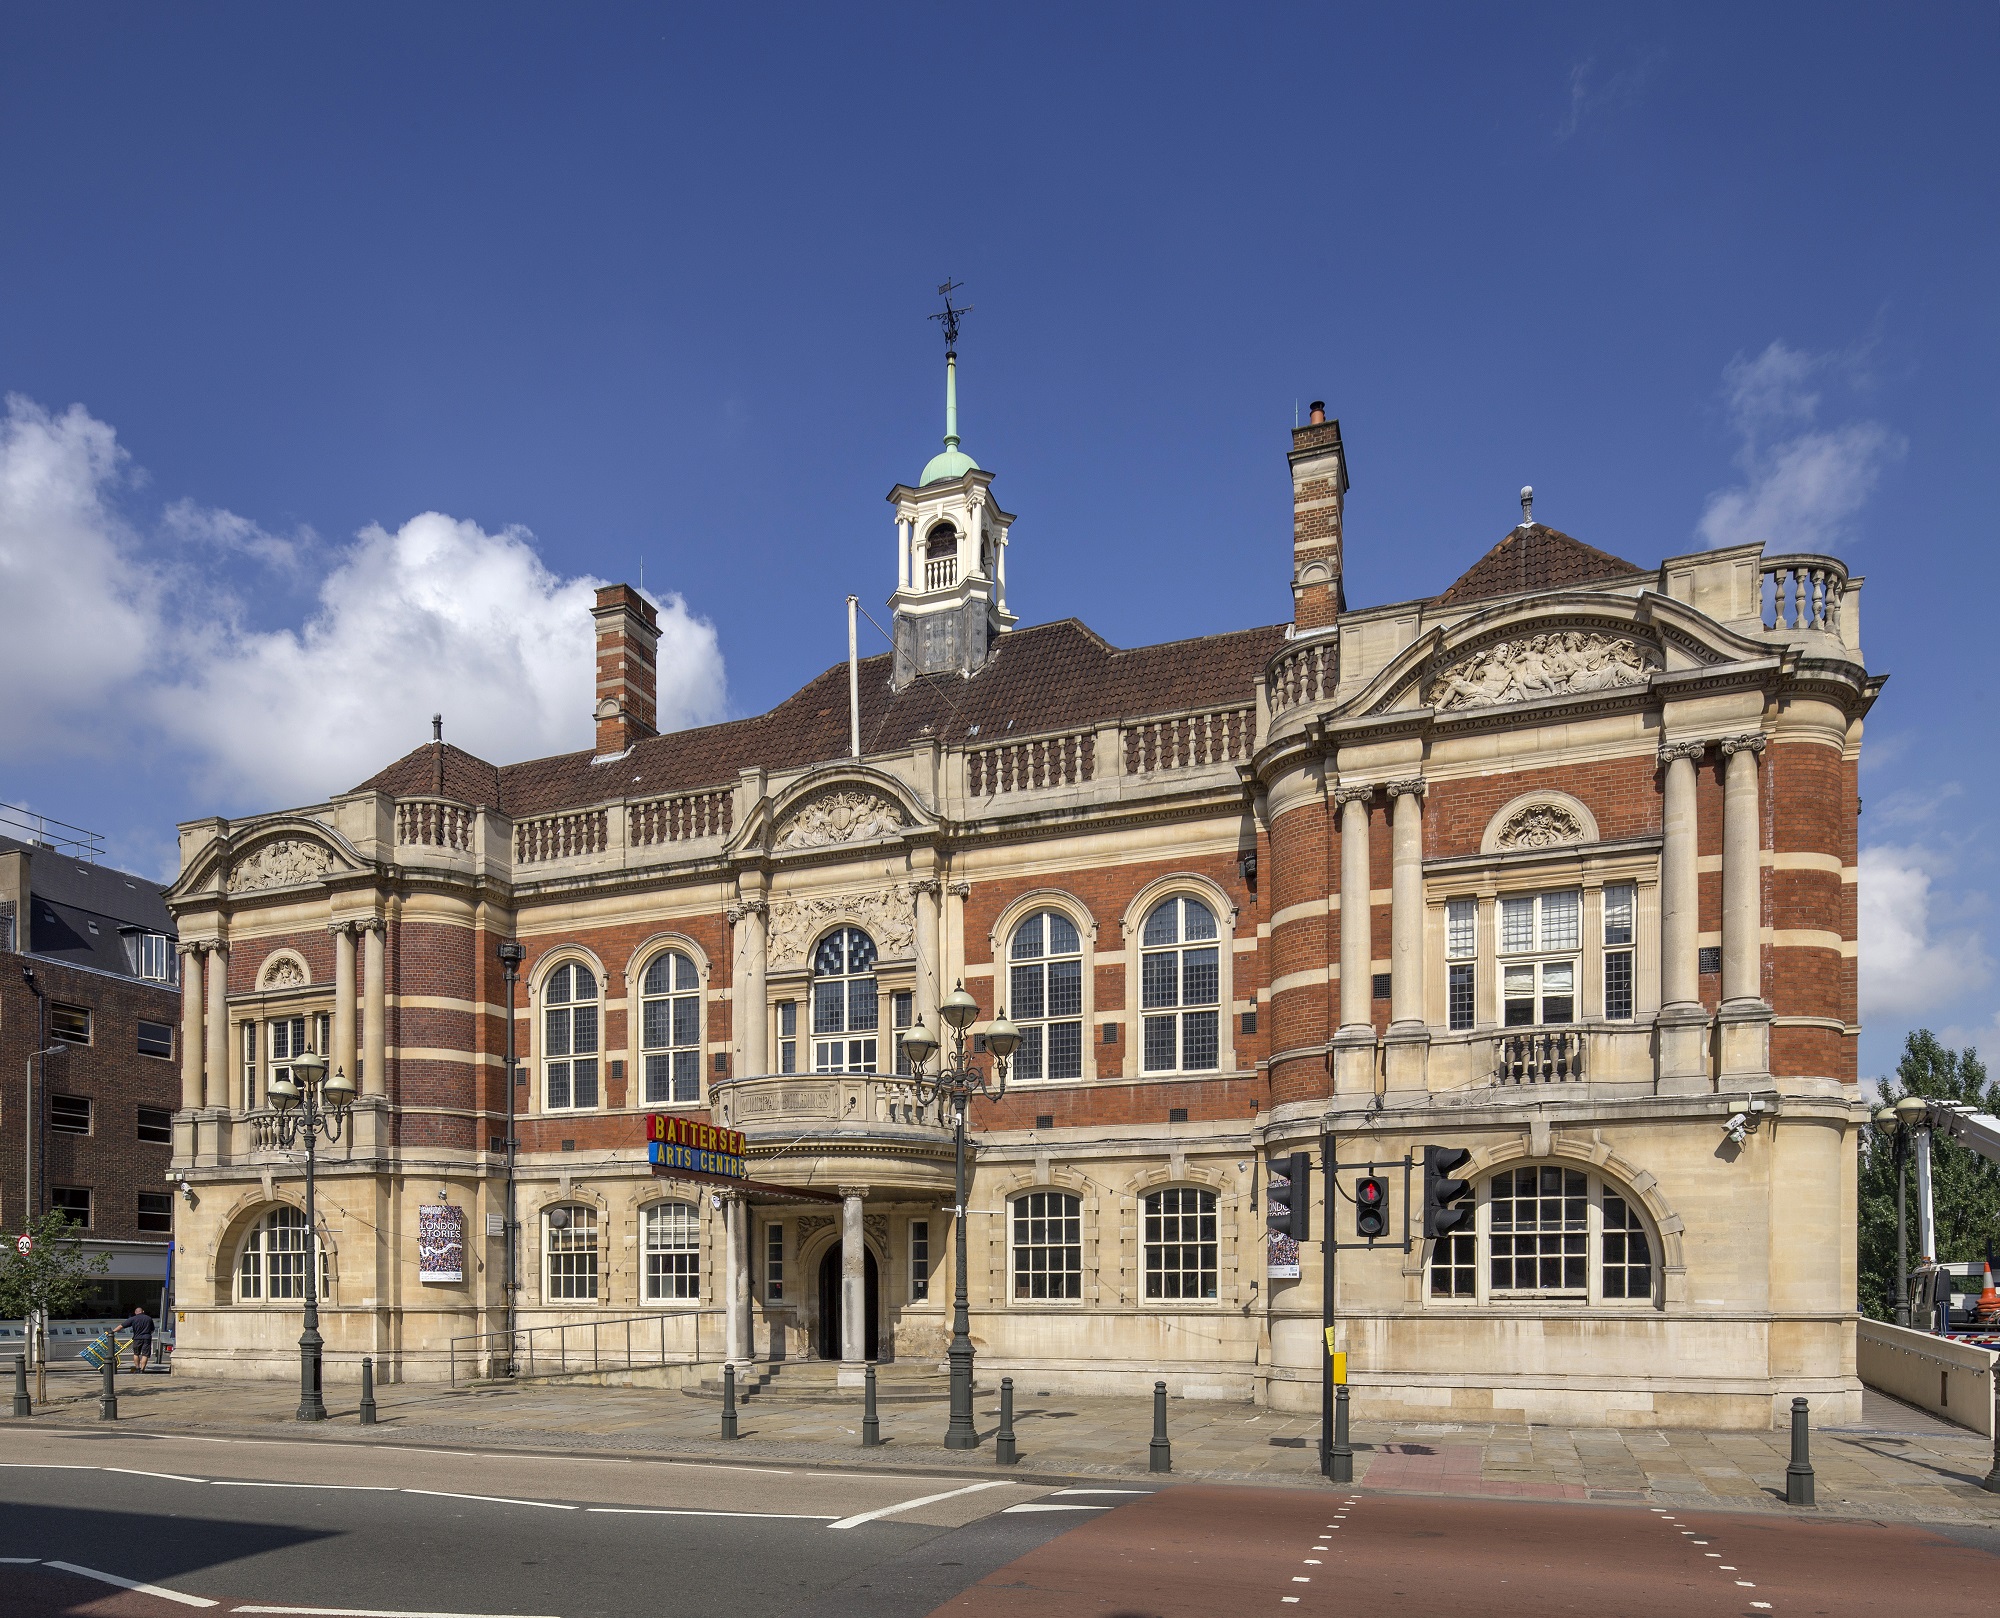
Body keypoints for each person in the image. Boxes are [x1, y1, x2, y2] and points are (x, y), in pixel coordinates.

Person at [125, 1304, 155, 1372]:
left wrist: (113, 1331)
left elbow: (122, 1325)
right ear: (143, 1311)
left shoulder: (133, 1319)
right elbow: (152, 1330)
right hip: (147, 1338)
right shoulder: (149, 1318)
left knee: (136, 1353)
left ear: (135, 1312)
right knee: (145, 1354)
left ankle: (137, 1368)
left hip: (137, 1338)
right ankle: (142, 1369)